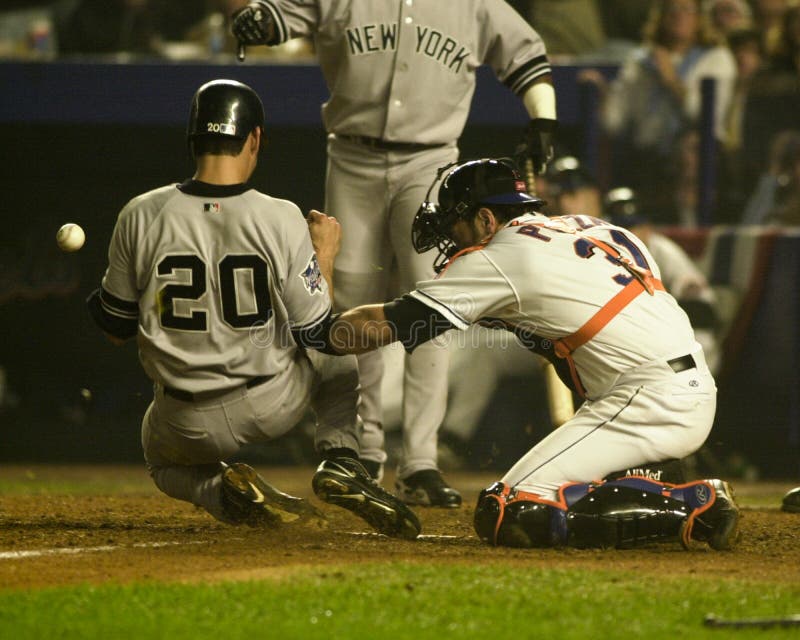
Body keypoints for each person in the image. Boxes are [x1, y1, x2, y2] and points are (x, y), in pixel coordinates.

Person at [309, 157, 740, 550]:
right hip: (690, 387)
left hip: (644, 400)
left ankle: (691, 508)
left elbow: (370, 331)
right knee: (563, 489)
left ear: (484, 218)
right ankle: (651, 484)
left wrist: (322, 274)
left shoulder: (500, 256)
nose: (450, 239)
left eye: (456, 224)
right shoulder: (597, 227)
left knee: (509, 511)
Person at [230, 0, 558, 508]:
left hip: (431, 165)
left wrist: (543, 119)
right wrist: (259, 18)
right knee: (351, 311)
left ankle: (420, 462)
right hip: (351, 157)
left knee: (433, 308)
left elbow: (526, 55)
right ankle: (363, 453)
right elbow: (280, 16)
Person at [86, 78, 421, 541]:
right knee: (337, 344)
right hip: (268, 404)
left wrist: (108, 302)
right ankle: (342, 460)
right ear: (255, 137)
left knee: (160, 463)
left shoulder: (139, 213)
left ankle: (220, 491)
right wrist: (324, 255)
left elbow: (115, 328)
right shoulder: (278, 215)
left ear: (193, 135)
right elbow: (317, 330)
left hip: (181, 417)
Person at [579, 0, 736, 218]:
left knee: (691, 152)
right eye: (672, 10)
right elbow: (615, 121)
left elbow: (705, 115)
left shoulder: (716, 58)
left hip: (699, 159)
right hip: (648, 158)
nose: (678, 16)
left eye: (687, 10)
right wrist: (602, 95)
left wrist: (671, 80)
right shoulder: (641, 60)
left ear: (699, 18)